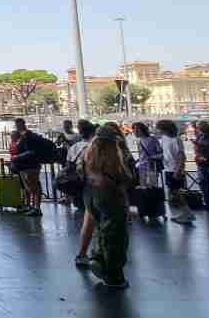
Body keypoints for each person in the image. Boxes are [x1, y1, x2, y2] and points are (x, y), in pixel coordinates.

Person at [83, 126, 133, 289]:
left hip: (90, 194)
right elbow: (125, 177)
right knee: (115, 234)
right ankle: (114, 274)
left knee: (100, 227)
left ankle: (97, 257)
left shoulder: (87, 153)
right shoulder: (112, 154)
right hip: (110, 195)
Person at [68, 120, 98, 266]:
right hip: (99, 188)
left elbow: (68, 165)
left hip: (84, 188)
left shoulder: (75, 147)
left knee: (88, 219)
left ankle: (82, 253)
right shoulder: (97, 148)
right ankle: (98, 253)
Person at [11, 118, 49, 217]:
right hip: (26, 167)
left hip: (30, 166)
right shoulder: (24, 135)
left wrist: (16, 157)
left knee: (34, 187)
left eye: (18, 124)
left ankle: (36, 208)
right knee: (31, 187)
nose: (17, 126)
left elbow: (31, 152)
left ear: (22, 124)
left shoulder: (28, 136)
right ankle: (33, 206)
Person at [158, 120, 193, 225]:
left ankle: (187, 215)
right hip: (168, 169)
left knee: (178, 194)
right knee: (172, 194)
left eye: (160, 128)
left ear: (165, 129)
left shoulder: (176, 140)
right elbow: (164, 153)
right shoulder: (164, 139)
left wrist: (178, 171)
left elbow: (181, 157)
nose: (158, 130)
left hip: (175, 170)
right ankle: (179, 215)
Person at [132, 122, 162, 188]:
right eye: (133, 130)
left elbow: (161, 153)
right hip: (142, 167)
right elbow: (141, 155)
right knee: (143, 187)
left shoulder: (153, 139)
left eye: (137, 130)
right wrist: (136, 161)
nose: (134, 132)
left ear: (142, 130)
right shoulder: (139, 141)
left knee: (152, 187)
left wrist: (152, 157)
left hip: (152, 166)